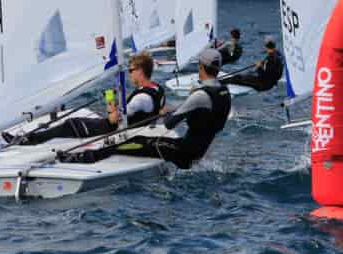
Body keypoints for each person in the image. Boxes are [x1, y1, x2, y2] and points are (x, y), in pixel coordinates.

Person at [65, 48, 231, 169]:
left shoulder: (199, 96)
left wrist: (165, 112)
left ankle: (82, 158)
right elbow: (207, 117)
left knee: (131, 143)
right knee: (141, 141)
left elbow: (168, 124)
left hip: (183, 153)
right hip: (199, 151)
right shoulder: (224, 92)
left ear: (201, 66)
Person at [3, 52, 165, 145]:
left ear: (140, 71)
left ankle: (26, 141)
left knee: (70, 124)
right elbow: (161, 110)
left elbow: (114, 118)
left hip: (110, 130)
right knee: (73, 123)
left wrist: (110, 100)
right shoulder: (157, 89)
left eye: (131, 70)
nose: (129, 74)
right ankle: (28, 138)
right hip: (132, 129)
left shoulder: (141, 98)